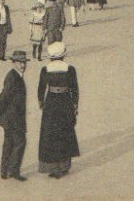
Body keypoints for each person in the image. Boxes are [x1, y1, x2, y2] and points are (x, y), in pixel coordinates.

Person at [37, 42, 80, 179]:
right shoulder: (70, 69)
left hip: (51, 102)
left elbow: (40, 89)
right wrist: (75, 104)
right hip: (65, 101)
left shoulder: (45, 69)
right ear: (63, 55)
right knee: (65, 131)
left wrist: (41, 103)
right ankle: (64, 166)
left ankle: (53, 166)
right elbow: (75, 89)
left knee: (51, 133)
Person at [0, 50, 29, 182]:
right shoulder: (13, 77)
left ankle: (4, 171)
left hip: (10, 118)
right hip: (13, 118)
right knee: (20, 142)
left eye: (24, 63)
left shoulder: (16, 75)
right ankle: (13, 171)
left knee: (9, 143)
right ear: (13, 63)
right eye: (20, 63)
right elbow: (5, 94)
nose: (23, 65)